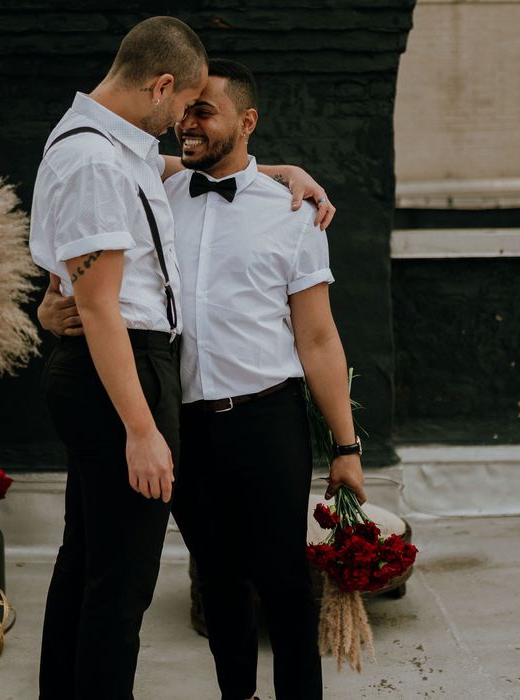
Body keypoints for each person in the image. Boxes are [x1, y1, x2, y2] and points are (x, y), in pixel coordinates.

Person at [39, 58, 364, 700]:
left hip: (268, 420)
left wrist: (347, 447)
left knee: (286, 586)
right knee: (216, 583)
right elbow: (92, 279)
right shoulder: (152, 194)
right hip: (180, 423)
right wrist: (51, 308)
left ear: (247, 121)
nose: (185, 122)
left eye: (203, 111)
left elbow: (319, 338)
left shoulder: (293, 212)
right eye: (185, 109)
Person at [29, 17, 208, 699]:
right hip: (120, 371)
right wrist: (141, 429)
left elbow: (158, 169)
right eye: (183, 104)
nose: (182, 122)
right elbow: (100, 307)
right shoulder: (96, 161)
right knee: (123, 583)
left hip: (110, 368)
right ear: (159, 84)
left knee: (87, 562)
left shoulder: (105, 143)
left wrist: (273, 171)